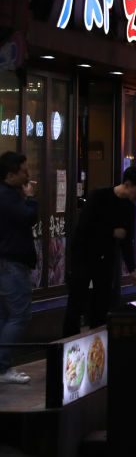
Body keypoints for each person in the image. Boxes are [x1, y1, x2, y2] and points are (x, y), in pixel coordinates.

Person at [62, 166, 136, 336]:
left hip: (107, 258)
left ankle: (98, 339)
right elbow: (84, 227)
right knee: (77, 298)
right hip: (84, 255)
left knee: (102, 300)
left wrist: (132, 269)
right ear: (128, 184)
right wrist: (111, 231)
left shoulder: (130, 208)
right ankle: (68, 342)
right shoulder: (98, 196)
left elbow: (127, 240)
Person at [0, 152, 37, 384]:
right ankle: (3, 367)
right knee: (19, 315)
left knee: (5, 316)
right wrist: (31, 198)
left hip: (8, 263)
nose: (28, 174)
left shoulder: (8, 194)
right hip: (11, 264)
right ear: (11, 174)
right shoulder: (7, 196)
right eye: (24, 170)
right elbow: (27, 218)